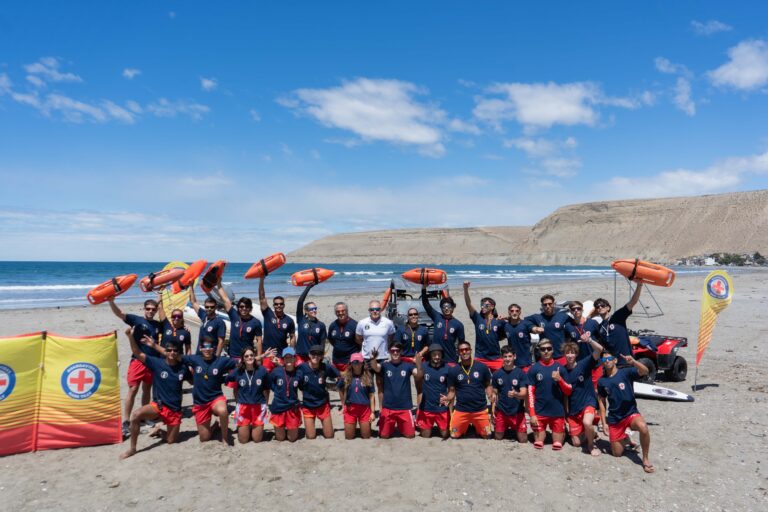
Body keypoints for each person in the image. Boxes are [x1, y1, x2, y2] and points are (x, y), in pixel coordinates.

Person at [119, 329, 185, 459]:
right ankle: (132, 448)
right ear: (165, 351)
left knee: (171, 440)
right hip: (158, 406)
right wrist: (130, 337)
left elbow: (196, 381)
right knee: (136, 415)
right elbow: (138, 353)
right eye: (169, 350)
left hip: (174, 410)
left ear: (178, 353)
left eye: (175, 350)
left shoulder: (183, 368)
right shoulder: (157, 363)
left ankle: (159, 431)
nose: (172, 352)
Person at [108, 297, 162, 436]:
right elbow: (119, 313)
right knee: (133, 389)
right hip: (137, 361)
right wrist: (111, 301)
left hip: (152, 361)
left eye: (153, 309)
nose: (150, 311)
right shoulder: (136, 320)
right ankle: (126, 421)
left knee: (147, 390)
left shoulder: (157, 324)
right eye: (148, 309)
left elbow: (166, 320)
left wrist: (160, 298)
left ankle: (144, 417)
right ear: (144, 309)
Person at [597, 351, 655, 473]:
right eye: (604, 360)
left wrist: (634, 362)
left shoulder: (626, 372)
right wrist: (604, 422)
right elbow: (602, 403)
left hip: (630, 414)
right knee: (617, 453)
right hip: (615, 419)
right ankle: (626, 438)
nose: (607, 361)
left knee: (643, 427)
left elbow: (645, 371)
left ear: (615, 360)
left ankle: (645, 459)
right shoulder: (602, 381)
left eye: (609, 358)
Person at [179, 336, 237, 444]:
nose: (207, 349)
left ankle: (225, 438)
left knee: (223, 411)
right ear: (200, 348)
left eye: (210, 347)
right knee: (204, 438)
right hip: (200, 402)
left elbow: (241, 362)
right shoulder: (195, 359)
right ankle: (215, 426)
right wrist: (154, 346)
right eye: (204, 347)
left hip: (215, 398)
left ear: (214, 348)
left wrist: (228, 378)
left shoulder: (220, 361)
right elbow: (175, 356)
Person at [370, 343, 423, 439]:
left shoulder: (408, 366)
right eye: (392, 350)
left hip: (404, 407)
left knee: (410, 435)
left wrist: (418, 365)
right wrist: (373, 358)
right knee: (384, 436)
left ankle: (400, 425)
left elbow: (418, 375)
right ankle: (392, 425)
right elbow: (375, 367)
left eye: (397, 350)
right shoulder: (385, 365)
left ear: (401, 352)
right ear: (389, 352)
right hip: (388, 407)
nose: (395, 352)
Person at [528, 338, 573, 450]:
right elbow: (530, 393)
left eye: (549, 349)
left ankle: (563, 430)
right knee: (539, 442)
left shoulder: (560, 369)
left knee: (557, 444)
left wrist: (560, 380)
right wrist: (532, 414)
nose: (546, 351)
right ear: (539, 351)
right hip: (540, 412)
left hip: (557, 412)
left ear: (553, 350)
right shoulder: (534, 369)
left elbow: (568, 391)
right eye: (543, 349)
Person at [444, 340, 494, 439]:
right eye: (461, 350)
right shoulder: (453, 370)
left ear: (471, 351)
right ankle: (468, 425)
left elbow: (488, 385)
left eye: (466, 349)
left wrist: (490, 395)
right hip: (462, 410)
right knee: (454, 435)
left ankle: (474, 425)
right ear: (458, 353)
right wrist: (447, 398)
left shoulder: (482, 367)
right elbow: (452, 391)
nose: (464, 352)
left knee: (487, 435)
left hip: (480, 409)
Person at [226, 346, 275, 444]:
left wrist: (265, 405)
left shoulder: (262, 371)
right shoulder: (238, 371)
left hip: (258, 406)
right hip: (243, 407)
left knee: (257, 440)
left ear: (255, 356)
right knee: (243, 440)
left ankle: (253, 426)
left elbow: (267, 389)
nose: (249, 358)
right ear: (243, 359)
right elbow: (226, 379)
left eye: (251, 355)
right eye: (246, 356)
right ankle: (246, 425)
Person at [563, 340, 603, 456]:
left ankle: (591, 447)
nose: (570, 355)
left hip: (588, 402)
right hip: (574, 409)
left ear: (576, 354)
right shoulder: (563, 370)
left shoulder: (584, 363)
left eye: (572, 353)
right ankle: (591, 433)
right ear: (564, 354)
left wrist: (589, 341)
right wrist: (566, 412)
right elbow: (565, 394)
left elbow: (599, 350)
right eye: (567, 353)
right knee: (576, 443)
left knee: (587, 422)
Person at [298, 344, 341, 439]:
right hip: (308, 405)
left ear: (322, 356)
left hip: (322, 404)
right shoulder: (302, 367)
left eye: (319, 354)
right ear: (309, 355)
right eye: (313, 353)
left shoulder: (326, 367)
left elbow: (340, 376)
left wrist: (337, 386)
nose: (316, 356)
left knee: (329, 435)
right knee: (311, 436)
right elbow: (291, 375)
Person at [593, 283, 644, 363]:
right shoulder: (600, 327)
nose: (600, 307)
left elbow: (633, 302)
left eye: (602, 305)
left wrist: (639, 285)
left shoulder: (617, 316)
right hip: (611, 363)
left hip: (626, 360)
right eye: (597, 307)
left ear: (608, 308)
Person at [463, 282, 505, 371]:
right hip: (480, 357)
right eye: (482, 305)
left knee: (499, 381)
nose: (483, 307)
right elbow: (468, 304)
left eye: (486, 305)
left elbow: (505, 333)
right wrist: (465, 289)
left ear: (492, 306)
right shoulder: (477, 318)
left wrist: (507, 317)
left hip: (496, 357)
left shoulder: (499, 321)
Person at [491, 345, 529, 443]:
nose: (507, 359)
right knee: (498, 437)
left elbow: (524, 393)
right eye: (505, 356)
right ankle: (506, 428)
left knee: (523, 440)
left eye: (510, 356)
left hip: (517, 412)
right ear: (502, 358)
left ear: (514, 357)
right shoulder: (496, 374)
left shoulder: (520, 373)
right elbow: (494, 394)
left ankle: (513, 429)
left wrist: (516, 394)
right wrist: (492, 411)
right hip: (502, 411)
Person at [526, 294, 578, 363]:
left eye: (550, 304)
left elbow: (575, 323)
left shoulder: (563, 316)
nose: (548, 306)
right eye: (545, 304)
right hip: (545, 356)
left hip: (561, 355)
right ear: (542, 306)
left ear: (554, 304)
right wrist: (533, 327)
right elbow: (525, 321)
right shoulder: (537, 317)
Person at [258, 276, 296, 371]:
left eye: (280, 304)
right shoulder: (268, 314)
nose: (278, 305)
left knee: (281, 378)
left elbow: (292, 337)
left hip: (281, 355)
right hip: (268, 354)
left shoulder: (289, 320)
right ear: (273, 305)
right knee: (266, 378)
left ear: (283, 305)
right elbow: (262, 297)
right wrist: (261, 279)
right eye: (276, 304)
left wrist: (291, 352)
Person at [218, 284, 263, 361]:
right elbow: (225, 299)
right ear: (238, 308)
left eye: (247, 307)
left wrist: (258, 358)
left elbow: (259, 341)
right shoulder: (234, 316)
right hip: (233, 355)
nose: (244, 309)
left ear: (250, 308)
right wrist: (218, 283)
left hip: (248, 356)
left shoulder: (256, 322)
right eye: (241, 307)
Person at [421, 287, 465, 365]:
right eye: (444, 307)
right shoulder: (437, 317)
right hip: (435, 357)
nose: (446, 309)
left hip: (451, 358)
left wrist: (460, 357)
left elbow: (462, 343)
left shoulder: (458, 324)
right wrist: (423, 288)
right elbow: (426, 304)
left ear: (453, 308)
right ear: (441, 309)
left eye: (449, 307)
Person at [336, 352, 375, 439]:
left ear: (362, 363)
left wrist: (372, 413)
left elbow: (372, 395)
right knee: (349, 437)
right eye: (354, 362)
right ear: (351, 363)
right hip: (350, 409)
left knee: (366, 436)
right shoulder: (346, 376)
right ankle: (353, 426)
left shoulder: (368, 376)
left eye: (359, 362)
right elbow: (339, 389)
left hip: (364, 409)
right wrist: (343, 405)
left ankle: (362, 426)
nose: (357, 365)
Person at [416, 343, 451, 439]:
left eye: (439, 354)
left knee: (445, 434)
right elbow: (418, 378)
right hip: (427, 407)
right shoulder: (424, 366)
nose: (437, 357)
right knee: (425, 435)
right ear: (430, 355)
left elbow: (452, 388)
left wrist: (448, 397)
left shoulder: (447, 368)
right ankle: (430, 426)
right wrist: (418, 365)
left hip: (441, 407)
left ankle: (441, 426)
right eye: (434, 354)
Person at [268, 347, 302, 442]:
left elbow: (303, 386)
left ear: (295, 358)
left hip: (292, 407)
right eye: (286, 358)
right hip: (279, 406)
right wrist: (276, 389)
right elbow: (269, 382)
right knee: (280, 438)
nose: (289, 359)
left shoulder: (299, 373)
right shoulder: (277, 371)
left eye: (291, 357)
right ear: (283, 359)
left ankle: (291, 427)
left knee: (292, 439)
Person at [295, 283, 327, 365]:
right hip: (300, 356)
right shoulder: (301, 320)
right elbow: (300, 302)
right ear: (306, 311)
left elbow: (322, 342)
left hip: (314, 357)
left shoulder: (321, 325)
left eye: (315, 308)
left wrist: (321, 355)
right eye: (311, 309)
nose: (314, 310)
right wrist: (308, 287)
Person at [190, 288, 226, 356]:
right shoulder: (204, 315)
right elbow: (193, 302)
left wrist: (217, 358)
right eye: (207, 307)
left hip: (211, 355)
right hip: (199, 353)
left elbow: (221, 342)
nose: (209, 309)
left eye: (212, 307)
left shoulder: (219, 322)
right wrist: (191, 287)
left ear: (215, 307)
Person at [502, 303, 537, 372]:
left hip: (526, 363)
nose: (514, 313)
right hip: (511, 363)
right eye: (512, 311)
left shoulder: (525, 324)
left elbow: (533, 328)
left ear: (520, 312)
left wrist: (536, 329)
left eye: (517, 311)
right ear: (509, 312)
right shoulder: (506, 326)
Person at [327, 301, 359, 372]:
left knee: (348, 381)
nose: (340, 313)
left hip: (350, 361)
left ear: (347, 311)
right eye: (338, 311)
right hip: (336, 360)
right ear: (335, 313)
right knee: (338, 381)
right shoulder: (333, 325)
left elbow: (360, 341)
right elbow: (330, 339)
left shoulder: (355, 325)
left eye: (343, 311)